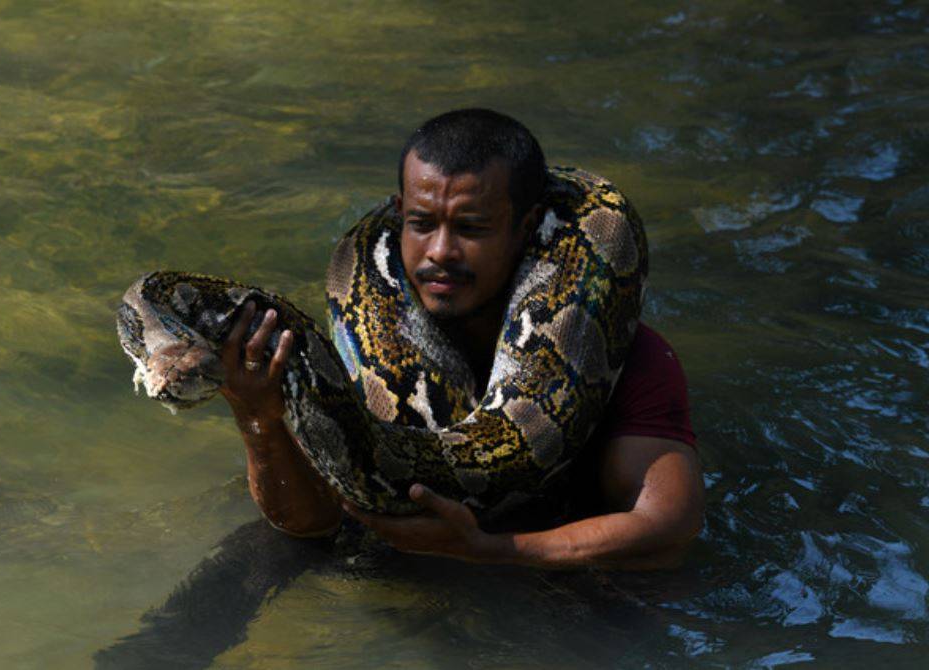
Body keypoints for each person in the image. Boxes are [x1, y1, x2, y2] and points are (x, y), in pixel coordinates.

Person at [220, 109, 704, 570]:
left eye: (471, 228)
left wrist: (492, 551)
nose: (440, 252)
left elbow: (667, 530)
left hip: (540, 574)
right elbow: (311, 526)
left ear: (529, 227)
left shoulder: (630, 358)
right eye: (421, 223)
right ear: (397, 214)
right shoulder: (352, 349)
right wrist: (256, 415)